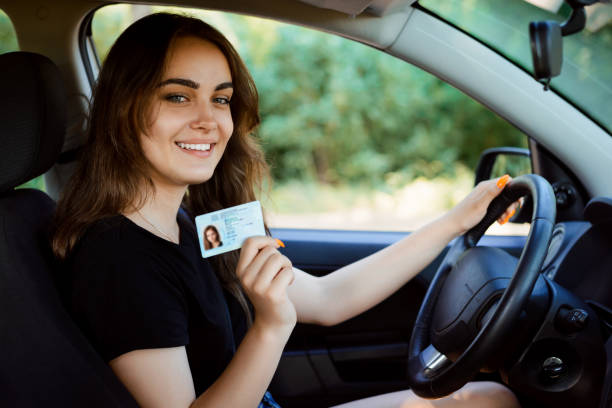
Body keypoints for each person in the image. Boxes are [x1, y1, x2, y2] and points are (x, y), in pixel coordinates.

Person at [51, 12, 520, 408]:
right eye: (178, 95)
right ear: (122, 109)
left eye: (220, 98)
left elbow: (330, 299)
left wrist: (456, 221)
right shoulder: (118, 259)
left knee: (487, 398)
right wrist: (272, 326)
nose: (209, 119)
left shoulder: (193, 225)